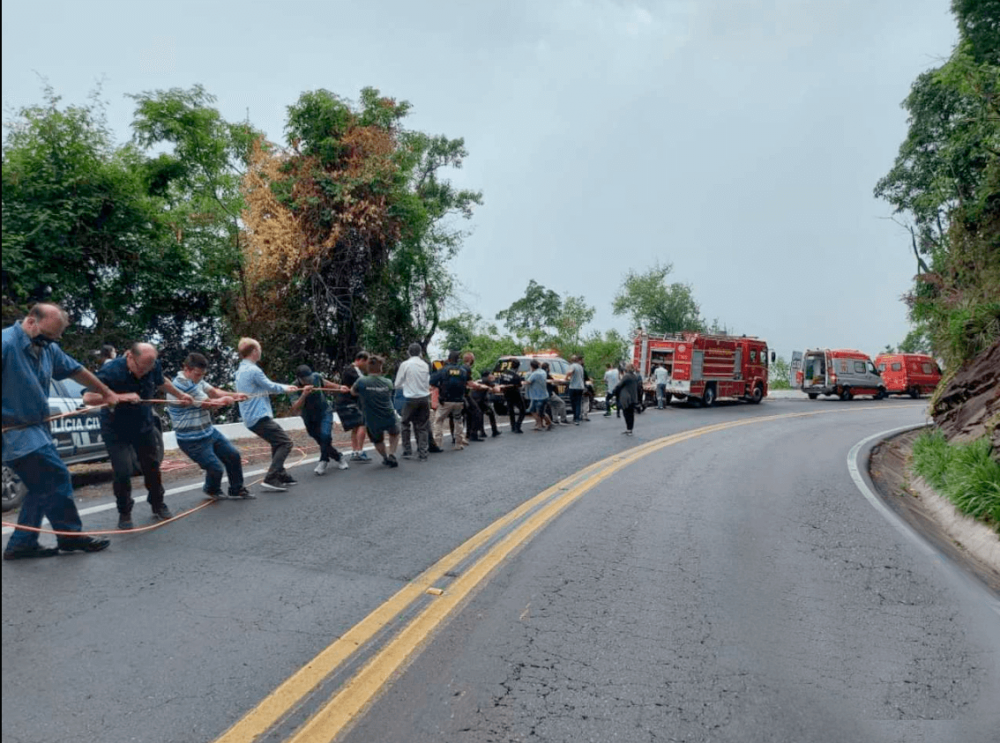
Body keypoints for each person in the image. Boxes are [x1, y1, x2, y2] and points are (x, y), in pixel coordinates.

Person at [2, 303, 116, 559]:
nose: (50, 343)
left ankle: (22, 543)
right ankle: (70, 537)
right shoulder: (6, 345)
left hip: (38, 429)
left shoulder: (47, 347)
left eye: (55, 338)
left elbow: (77, 371)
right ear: (31, 322)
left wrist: (106, 392)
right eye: (48, 337)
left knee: (41, 486)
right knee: (56, 477)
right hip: (15, 432)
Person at [84, 342, 194, 529]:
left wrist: (180, 394)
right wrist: (120, 397)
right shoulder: (111, 370)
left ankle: (157, 503)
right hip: (116, 428)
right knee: (123, 470)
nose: (144, 372)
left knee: (151, 466)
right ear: (129, 357)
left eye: (148, 368)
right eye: (141, 368)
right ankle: (124, 512)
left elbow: (161, 382)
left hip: (143, 424)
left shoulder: (152, 366)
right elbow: (88, 398)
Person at [166, 353, 254, 499]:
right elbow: (208, 405)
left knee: (233, 456)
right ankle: (211, 489)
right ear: (186, 369)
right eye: (197, 374)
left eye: (202, 374)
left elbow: (214, 392)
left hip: (208, 431)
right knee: (215, 468)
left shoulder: (197, 379)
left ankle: (237, 489)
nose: (200, 377)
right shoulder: (182, 385)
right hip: (191, 439)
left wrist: (234, 395)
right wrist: (225, 401)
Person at [234, 338, 296, 492]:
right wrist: (287, 388)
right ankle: (271, 477)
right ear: (254, 351)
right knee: (285, 443)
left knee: (277, 442)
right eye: (259, 349)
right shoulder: (253, 370)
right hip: (258, 416)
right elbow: (270, 386)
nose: (260, 351)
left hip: (250, 417)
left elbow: (265, 387)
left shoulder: (241, 370)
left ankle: (280, 474)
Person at [290, 365, 349, 476]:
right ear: (299, 379)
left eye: (310, 378)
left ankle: (323, 460)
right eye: (306, 379)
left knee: (325, 435)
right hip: (308, 417)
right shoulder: (294, 387)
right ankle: (338, 457)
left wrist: (340, 387)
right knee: (321, 441)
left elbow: (327, 384)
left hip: (324, 412)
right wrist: (304, 395)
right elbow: (295, 407)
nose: (310, 380)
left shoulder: (316, 377)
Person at [350, 355, 400, 467]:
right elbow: (389, 392)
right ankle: (392, 454)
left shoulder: (361, 381)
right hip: (388, 414)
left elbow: (353, 392)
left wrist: (364, 393)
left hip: (372, 418)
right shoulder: (388, 382)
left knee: (378, 440)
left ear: (367, 368)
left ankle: (385, 457)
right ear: (381, 368)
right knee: (395, 433)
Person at [395, 343, 432, 461]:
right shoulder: (425, 364)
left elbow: (397, 384)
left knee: (405, 423)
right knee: (422, 425)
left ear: (408, 352)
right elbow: (427, 382)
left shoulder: (405, 364)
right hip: (424, 398)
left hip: (410, 398)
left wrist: (406, 385)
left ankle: (407, 450)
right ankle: (423, 453)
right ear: (420, 352)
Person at [431, 350, 472, 450]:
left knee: (438, 421)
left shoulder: (443, 370)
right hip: (459, 401)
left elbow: (432, 382)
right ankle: (458, 444)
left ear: (448, 359)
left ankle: (438, 443)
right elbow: (468, 383)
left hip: (445, 401)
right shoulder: (463, 371)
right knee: (458, 421)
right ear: (458, 360)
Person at [336, 351, 371, 462]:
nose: (367, 365)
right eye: (366, 362)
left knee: (356, 426)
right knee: (362, 424)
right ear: (361, 360)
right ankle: (359, 451)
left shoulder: (356, 371)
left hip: (351, 402)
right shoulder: (350, 371)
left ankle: (355, 451)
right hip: (347, 402)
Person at [496, 359, 526, 433]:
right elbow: (519, 385)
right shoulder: (516, 376)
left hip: (506, 394)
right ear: (518, 367)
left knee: (511, 410)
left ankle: (513, 426)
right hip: (515, 394)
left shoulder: (504, 373)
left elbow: (501, 383)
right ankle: (517, 426)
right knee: (522, 410)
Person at [613, 363, 642, 436]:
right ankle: (630, 429)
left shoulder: (626, 376)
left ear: (627, 369)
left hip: (626, 398)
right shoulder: (635, 376)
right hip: (633, 398)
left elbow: (619, 385)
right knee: (631, 414)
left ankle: (628, 429)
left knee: (626, 413)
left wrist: (614, 391)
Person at [524, 359, 553, 431]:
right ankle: (540, 424)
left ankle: (548, 423)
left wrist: (521, 382)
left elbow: (529, 381)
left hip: (537, 396)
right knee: (535, 410)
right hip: (542, 395)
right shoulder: (543, 372)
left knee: (540, 412)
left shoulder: (535, 374)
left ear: (531, 366)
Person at [566, 355, 586, 425]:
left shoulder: (572, 366)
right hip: (580, 386)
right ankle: (577, 417)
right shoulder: (580, 367)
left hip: (573, 386)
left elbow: (570, 372)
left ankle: (575, 417)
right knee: (578, 403)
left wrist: (566, 377)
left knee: (573, 403)